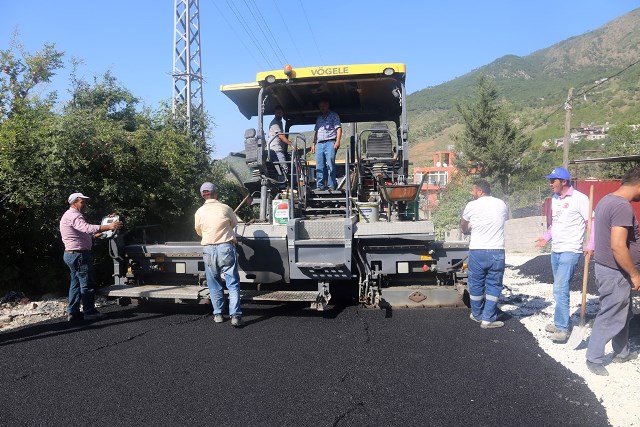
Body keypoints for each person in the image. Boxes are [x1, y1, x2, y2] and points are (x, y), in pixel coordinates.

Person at [585, 166, 640, 376]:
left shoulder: (607, 200)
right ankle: (594, 357)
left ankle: (622, 352)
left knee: (623, 314)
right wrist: (634, 273)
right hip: (615, 272)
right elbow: (618, 245)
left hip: (609, 269)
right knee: (610, 314)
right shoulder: (621, 206)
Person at [535, 167, 592, 343]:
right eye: (550, 180)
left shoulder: (580, 199)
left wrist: (591, 244)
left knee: (560, 288)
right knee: (558, 288)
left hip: (571, 249)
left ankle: (561, 328)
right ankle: (560, 320)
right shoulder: (554, 199)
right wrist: (546, 237)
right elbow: (556, 224)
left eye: (553, 180)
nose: (550, 183)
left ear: (564, 181)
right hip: (556, 250)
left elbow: (591, 221)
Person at [59, 192, 122, 322]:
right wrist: (109, 226)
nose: (85, 204)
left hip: (72, 254)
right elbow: (86, 228)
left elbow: (82, 234)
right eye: (82, 201)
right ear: (74, 202)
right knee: (86, 284)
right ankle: (89, 312)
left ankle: (73, 312)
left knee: (75, 284)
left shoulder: (69, 215)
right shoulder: (74, 215)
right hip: (79, 254)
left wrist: (97, 234)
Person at [460, 179, 508, 329]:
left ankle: (477, 314)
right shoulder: (501, 204)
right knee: (494, 285)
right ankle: (488, 319)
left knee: (476, 284)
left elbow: (463, 226)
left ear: (480, 191)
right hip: (497, 251)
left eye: (473, 190)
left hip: (477, 250)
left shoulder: (471, 205)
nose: (471, 193)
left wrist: (468, 230)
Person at [194, 182, 242, 327]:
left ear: (203, 195)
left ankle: (218, 314)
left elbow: (198, 231)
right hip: (225, 247)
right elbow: (233, 224)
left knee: (214, 283)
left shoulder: (199, 211)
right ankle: (235, 316)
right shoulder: (225, 208)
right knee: (232, 283)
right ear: (216, 193)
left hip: (208, 249)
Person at [311, 99, 341, 191]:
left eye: (324, 105)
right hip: (319, 144)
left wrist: (337, 141)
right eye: (320, 106)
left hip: (330, 142)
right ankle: (320, 185)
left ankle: (331, 185)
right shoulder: (319, 118)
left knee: (330, 163)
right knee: (319, 165)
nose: (322, 108)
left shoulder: (334, 115)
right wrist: (313, 144)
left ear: (328, 105)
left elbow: (338, 129)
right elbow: (317, 132)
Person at [268, 105, 292, 179]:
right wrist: (291, 144)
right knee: (284, 167)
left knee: (283, 166)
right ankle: (284, 184)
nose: (279, 114)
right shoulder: (274, 123)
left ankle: (285, 183)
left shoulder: (280, 122)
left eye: (280, 113)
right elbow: (281, 136)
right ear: (275, 113)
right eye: (277, 113)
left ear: (282, 113)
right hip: (275, 149)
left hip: (279, 148)